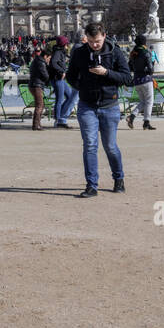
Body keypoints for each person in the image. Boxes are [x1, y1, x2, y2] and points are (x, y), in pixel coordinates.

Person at [65, 23, 132, 198]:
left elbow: (126, 77)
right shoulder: (79, 53)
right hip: (87, 105)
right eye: (92, 41)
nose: (95, 45)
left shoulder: (115, 52)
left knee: (110, 146)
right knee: (90, 146)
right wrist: (82, 87)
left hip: (109, 105)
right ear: (86, 37)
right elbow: (71, 76)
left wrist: (106, 73)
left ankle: (119, 179)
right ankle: (91, 185)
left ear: (105, 35)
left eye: (98, 41)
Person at [126, 35, 156, 130]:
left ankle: (132, 117)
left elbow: (130, 67)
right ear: (144, 42)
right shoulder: (146, 52)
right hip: (146, 79)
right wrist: (150, 69)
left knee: (143, 101)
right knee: (149, 101)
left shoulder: (133, 53)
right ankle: (146, 122)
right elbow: (151, 69)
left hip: (137, 80)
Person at [49, 35, 74, 128]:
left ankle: (61, 114)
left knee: (70, 96)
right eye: (67, 44)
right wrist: (61, 71)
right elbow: (53, 63)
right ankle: (57, 119)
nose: (68, 45)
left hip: (61, 79)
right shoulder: (58, 52)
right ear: (64, 44)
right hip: (57, 78)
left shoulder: (61, 52)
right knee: (59, 99)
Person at [28, 47, 51, 130]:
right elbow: (45, 75)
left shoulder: (37, 61)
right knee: (39, 105)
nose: (49, 59)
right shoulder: (41, 63)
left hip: (34, 84)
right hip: (37, 85)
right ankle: (36, 125)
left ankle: (37, 124)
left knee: (40, 105)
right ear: (45, 56)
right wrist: (49, 78)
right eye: (49, 58)